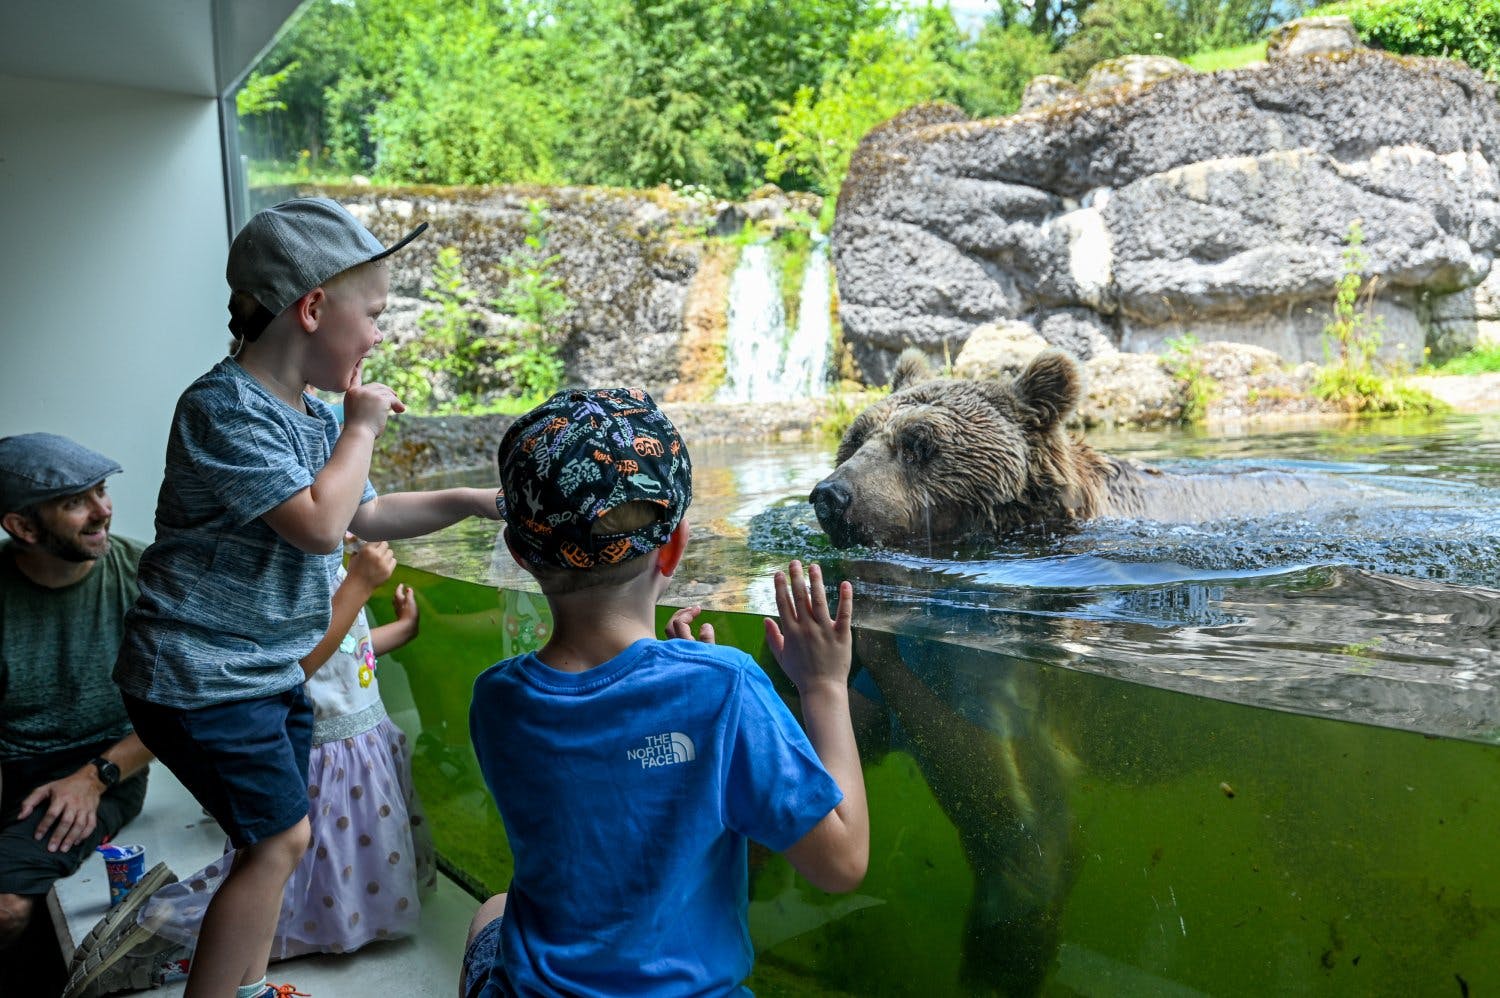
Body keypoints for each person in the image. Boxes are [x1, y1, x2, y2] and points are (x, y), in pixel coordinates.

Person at [108, 196, 501, 998]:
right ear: (315, 308)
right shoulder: (222, 409)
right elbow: (324, 528)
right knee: (280, 840)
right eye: (376, 314)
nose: (381, 335)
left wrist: (469, 499)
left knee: (275, 840)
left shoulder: (312, 418)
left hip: (262, 675)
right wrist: (362, 428)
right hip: (200, 677)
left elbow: (364, 513)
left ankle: (247, 983)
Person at [462, 387, 869, 997]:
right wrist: (823, 686)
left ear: (521, 553)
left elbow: (602, 792)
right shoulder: (725, 688)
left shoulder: (495, 699)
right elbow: (842, 864)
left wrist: (687, 687)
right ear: (675, 546)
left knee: (490, 912)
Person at [138, 535, 434, 963]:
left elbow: (347, 649)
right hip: (323, 745)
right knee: (308, 850)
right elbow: (301, 663)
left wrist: (402, 628)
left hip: (358, 729)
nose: (353, 530)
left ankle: (353, 917)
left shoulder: (328, 567)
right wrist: (360, 584)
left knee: (355, 848)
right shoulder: (290, 580)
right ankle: (291, 935)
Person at [0, 433, 158, 989]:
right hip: (11, 771)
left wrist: (96, 778)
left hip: (107, 766)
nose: (103, 511)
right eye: (75, 502)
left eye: (102, 491)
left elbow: (186, 711)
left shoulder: (145, 577)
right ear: (23, 527)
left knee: (5, 907)